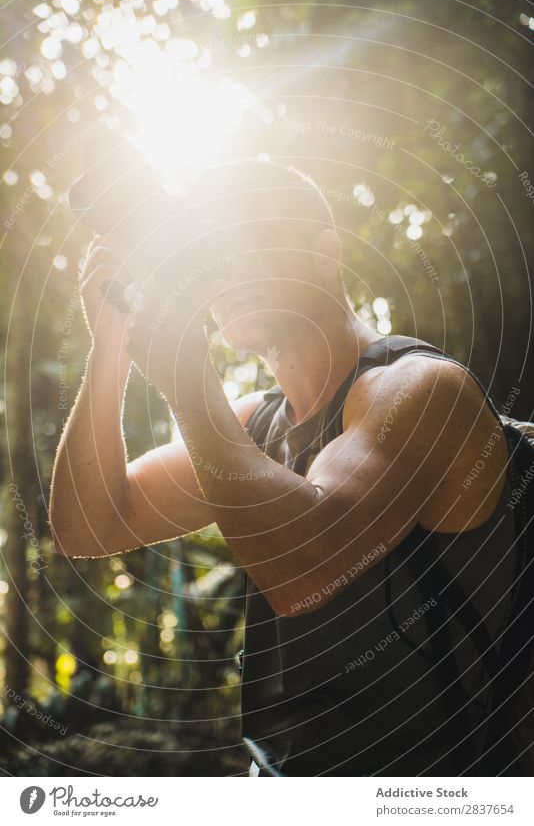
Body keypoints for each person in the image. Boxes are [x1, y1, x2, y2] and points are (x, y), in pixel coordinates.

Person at [49, 159, 518, 776]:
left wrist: (186, 377)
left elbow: (307, 572)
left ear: (326, 254)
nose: (227, 269)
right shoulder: (253, 429)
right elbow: (89, 524)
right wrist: (110, 344)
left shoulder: (422, 390)